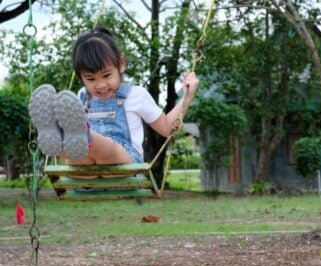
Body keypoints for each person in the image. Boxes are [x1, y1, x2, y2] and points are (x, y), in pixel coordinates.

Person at [29, 27, 199, 171]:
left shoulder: (136, 95)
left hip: (123, 160)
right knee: (76, 154)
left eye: (107, 75)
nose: (101, 85)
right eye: (91, 79)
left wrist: (187, 96)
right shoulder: (81, 96)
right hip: (86, 169)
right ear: (80, 77)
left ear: (121, 64)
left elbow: (167, 128)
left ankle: (80, 135)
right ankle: (55, 136)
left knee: (106, 147)